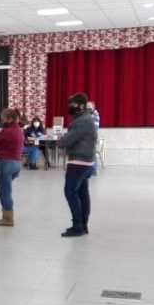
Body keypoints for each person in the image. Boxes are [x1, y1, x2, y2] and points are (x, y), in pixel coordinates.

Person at [59, 93, 99, 237]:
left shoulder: (83, 120)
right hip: (85, 161)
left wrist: (61, 139)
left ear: (81, 106)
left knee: (70, 191)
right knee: (82, 193)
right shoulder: (85, 119)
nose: (70, 107)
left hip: (79, 161)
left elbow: (68, 139)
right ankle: (83, 225)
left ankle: (78, 225)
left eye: (73, 105)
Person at [0, 108, 24, 227]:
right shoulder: (18, 130)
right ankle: (6, 215)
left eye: (3, 118)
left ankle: (8, 218)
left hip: (5, 163)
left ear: (9, 119)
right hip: (17, 164)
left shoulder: (6, 131)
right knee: (2, 189)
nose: (1, 120)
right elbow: (6, 140)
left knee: (5, 191)